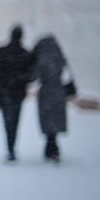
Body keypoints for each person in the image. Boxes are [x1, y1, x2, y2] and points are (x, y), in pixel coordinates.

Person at [0, 24, 36, 161]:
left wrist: (1, 81)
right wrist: (20, 79)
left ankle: (10, 148)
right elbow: (32, 74)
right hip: (18, 94)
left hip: (5, 92)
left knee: (8, 121)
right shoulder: (25, 54)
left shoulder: (1, 52)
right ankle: (11, 147)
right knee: (14, 121)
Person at [32, 35, 70, 163]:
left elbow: (35, 75)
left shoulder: (41, 58)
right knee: (55, 120)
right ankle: (52, 146)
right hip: (59, 92)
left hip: (46, 92)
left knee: (48, 120)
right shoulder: (59, 56)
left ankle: (51, 147)